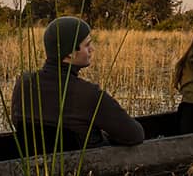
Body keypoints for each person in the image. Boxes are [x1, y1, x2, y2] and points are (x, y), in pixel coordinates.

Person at [11, 16, 145, 153]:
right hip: (87, 169)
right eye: (87, 45)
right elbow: (135, 135)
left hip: (36, 163)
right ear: (70, 53)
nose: (92, 49)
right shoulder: (89, 94)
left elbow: (17, 123)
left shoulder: (23, 83)